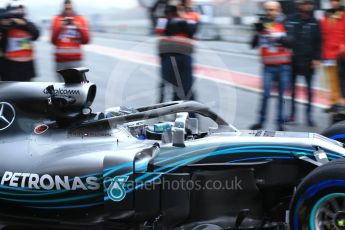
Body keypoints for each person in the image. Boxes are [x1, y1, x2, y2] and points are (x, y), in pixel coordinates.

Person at [250, 1, 293, 131]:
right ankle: (260, 122)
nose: (269, 12)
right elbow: (252, 45)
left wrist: (275, 35)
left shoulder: (285, 23)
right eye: (267, 9)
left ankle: (280, 123)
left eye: (272, 10)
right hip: (267, 67)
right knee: (266, 95)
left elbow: (291, 42)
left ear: (278, 11)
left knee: (281, 96)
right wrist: (257, 32)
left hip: (283, 65)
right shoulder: (261, 24)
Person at [156, 2, 199, 103]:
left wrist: (181, 16)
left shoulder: (191, 15)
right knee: (166, 83)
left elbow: (191, 30)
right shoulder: (165, 15)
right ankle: (160, 108)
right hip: (168, 54)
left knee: (186, 86)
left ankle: (190, 114)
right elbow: (162, 29)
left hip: (184, 54)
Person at [287, 0, 321, 126]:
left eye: (309, 4)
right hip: (293, 61)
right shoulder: (291, 20)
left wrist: (317, 58)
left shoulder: (314, 22)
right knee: (292, 91)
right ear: (299, 5)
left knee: (309, 91)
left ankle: (309, 117)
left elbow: (319, 42)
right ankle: (292, 115)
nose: (307, 6)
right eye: (304, 3)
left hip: (309, 62)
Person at [51, 0, 90, 80]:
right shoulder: (57, 19)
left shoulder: (80, 19)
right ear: (63, 7)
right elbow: (53, 40)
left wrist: (78, 27)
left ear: (72, 7)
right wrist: (60, 28)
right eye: (66, 8)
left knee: (77, 88)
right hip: (60, 60)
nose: (68, 10)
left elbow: (86, 40)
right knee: (62, 88)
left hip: (76, 60)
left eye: (69, 8)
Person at [0, 5, 39, 82]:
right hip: (10, 68)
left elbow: (36, 34)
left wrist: (24, 24)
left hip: (27, 68)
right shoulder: (8, 27)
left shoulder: (28, 25)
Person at [320, 0, 345, 112]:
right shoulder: (327, 15)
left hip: (340, 53)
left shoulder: (343, 14)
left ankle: (340, 102)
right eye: (332, 0)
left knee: (340, 79)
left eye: (336, 0)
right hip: (328, 53)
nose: (333, 2)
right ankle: (334, 102)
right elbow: (323, 33)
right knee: (331, 80)